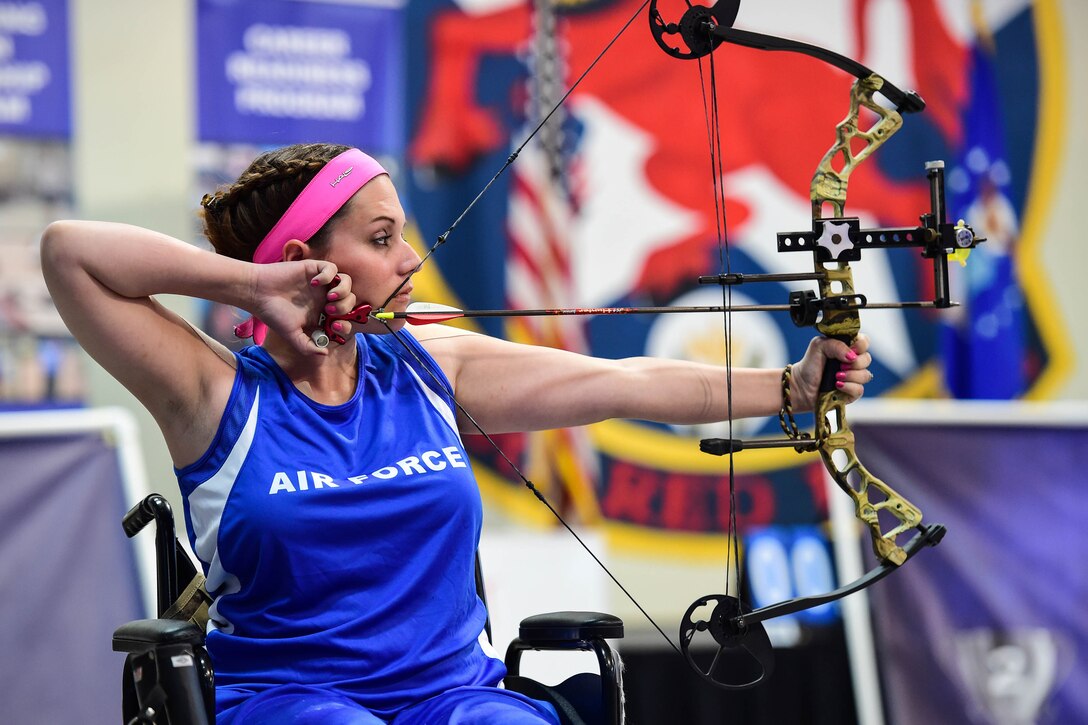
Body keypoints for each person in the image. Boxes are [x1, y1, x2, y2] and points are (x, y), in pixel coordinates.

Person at [40, 143, 873, 724]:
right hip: (290, 702)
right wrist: (254, 285)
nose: (409, 258)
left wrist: (790, 387)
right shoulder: (213, 392)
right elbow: (69, 251)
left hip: (454, 697)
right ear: (305, 259)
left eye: (401, 231)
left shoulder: (428, 362)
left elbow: (627, 383)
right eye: (379, 239)